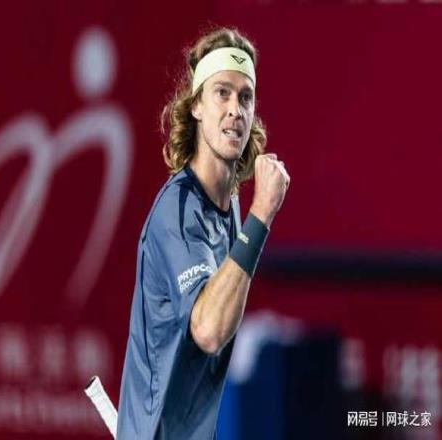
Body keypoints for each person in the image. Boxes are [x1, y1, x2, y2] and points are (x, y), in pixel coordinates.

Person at [117, 27, 290, 439]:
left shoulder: (228, 208)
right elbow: (209, 331)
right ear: (196, 105)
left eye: (245, 97)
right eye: (222, 93)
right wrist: (262, 214)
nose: (235, 110)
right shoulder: (176, 211)